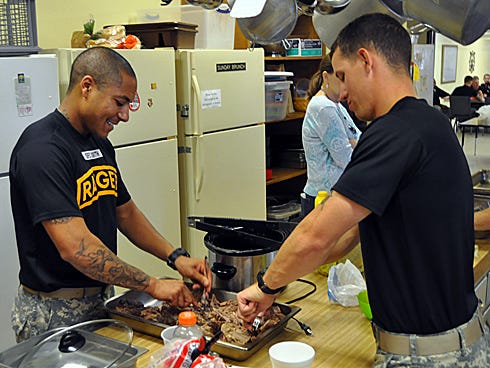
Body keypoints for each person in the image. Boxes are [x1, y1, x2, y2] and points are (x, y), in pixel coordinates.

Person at [237, 13, 488, 367]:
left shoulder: (392, 132)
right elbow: (343, 236)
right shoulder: (431, 122)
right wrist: (280, 284)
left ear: (366, 61)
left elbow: (316, 235)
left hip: (426, 355)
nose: (341, 93)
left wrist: (264, 285)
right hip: (456, 343)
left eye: (342, 75)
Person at [9, 47, 211, 342]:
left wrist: (175, 256)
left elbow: (124, 212)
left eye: (129, 104)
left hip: (101, 299)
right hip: (53, 312)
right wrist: (152, 284)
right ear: (87, 87)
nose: (126, 115)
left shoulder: (99, 144)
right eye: (120, 102)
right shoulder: (42, 150)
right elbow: (75, 247)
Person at [300, 54, 361, 217]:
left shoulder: (335, 104)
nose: (346, 84)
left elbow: (361, 140)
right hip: (323, 198)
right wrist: (352, 143)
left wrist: (353, 142)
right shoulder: (323, 107)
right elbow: (347, 158)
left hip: (333, 196)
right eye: (340, 78)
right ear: (326, 76)